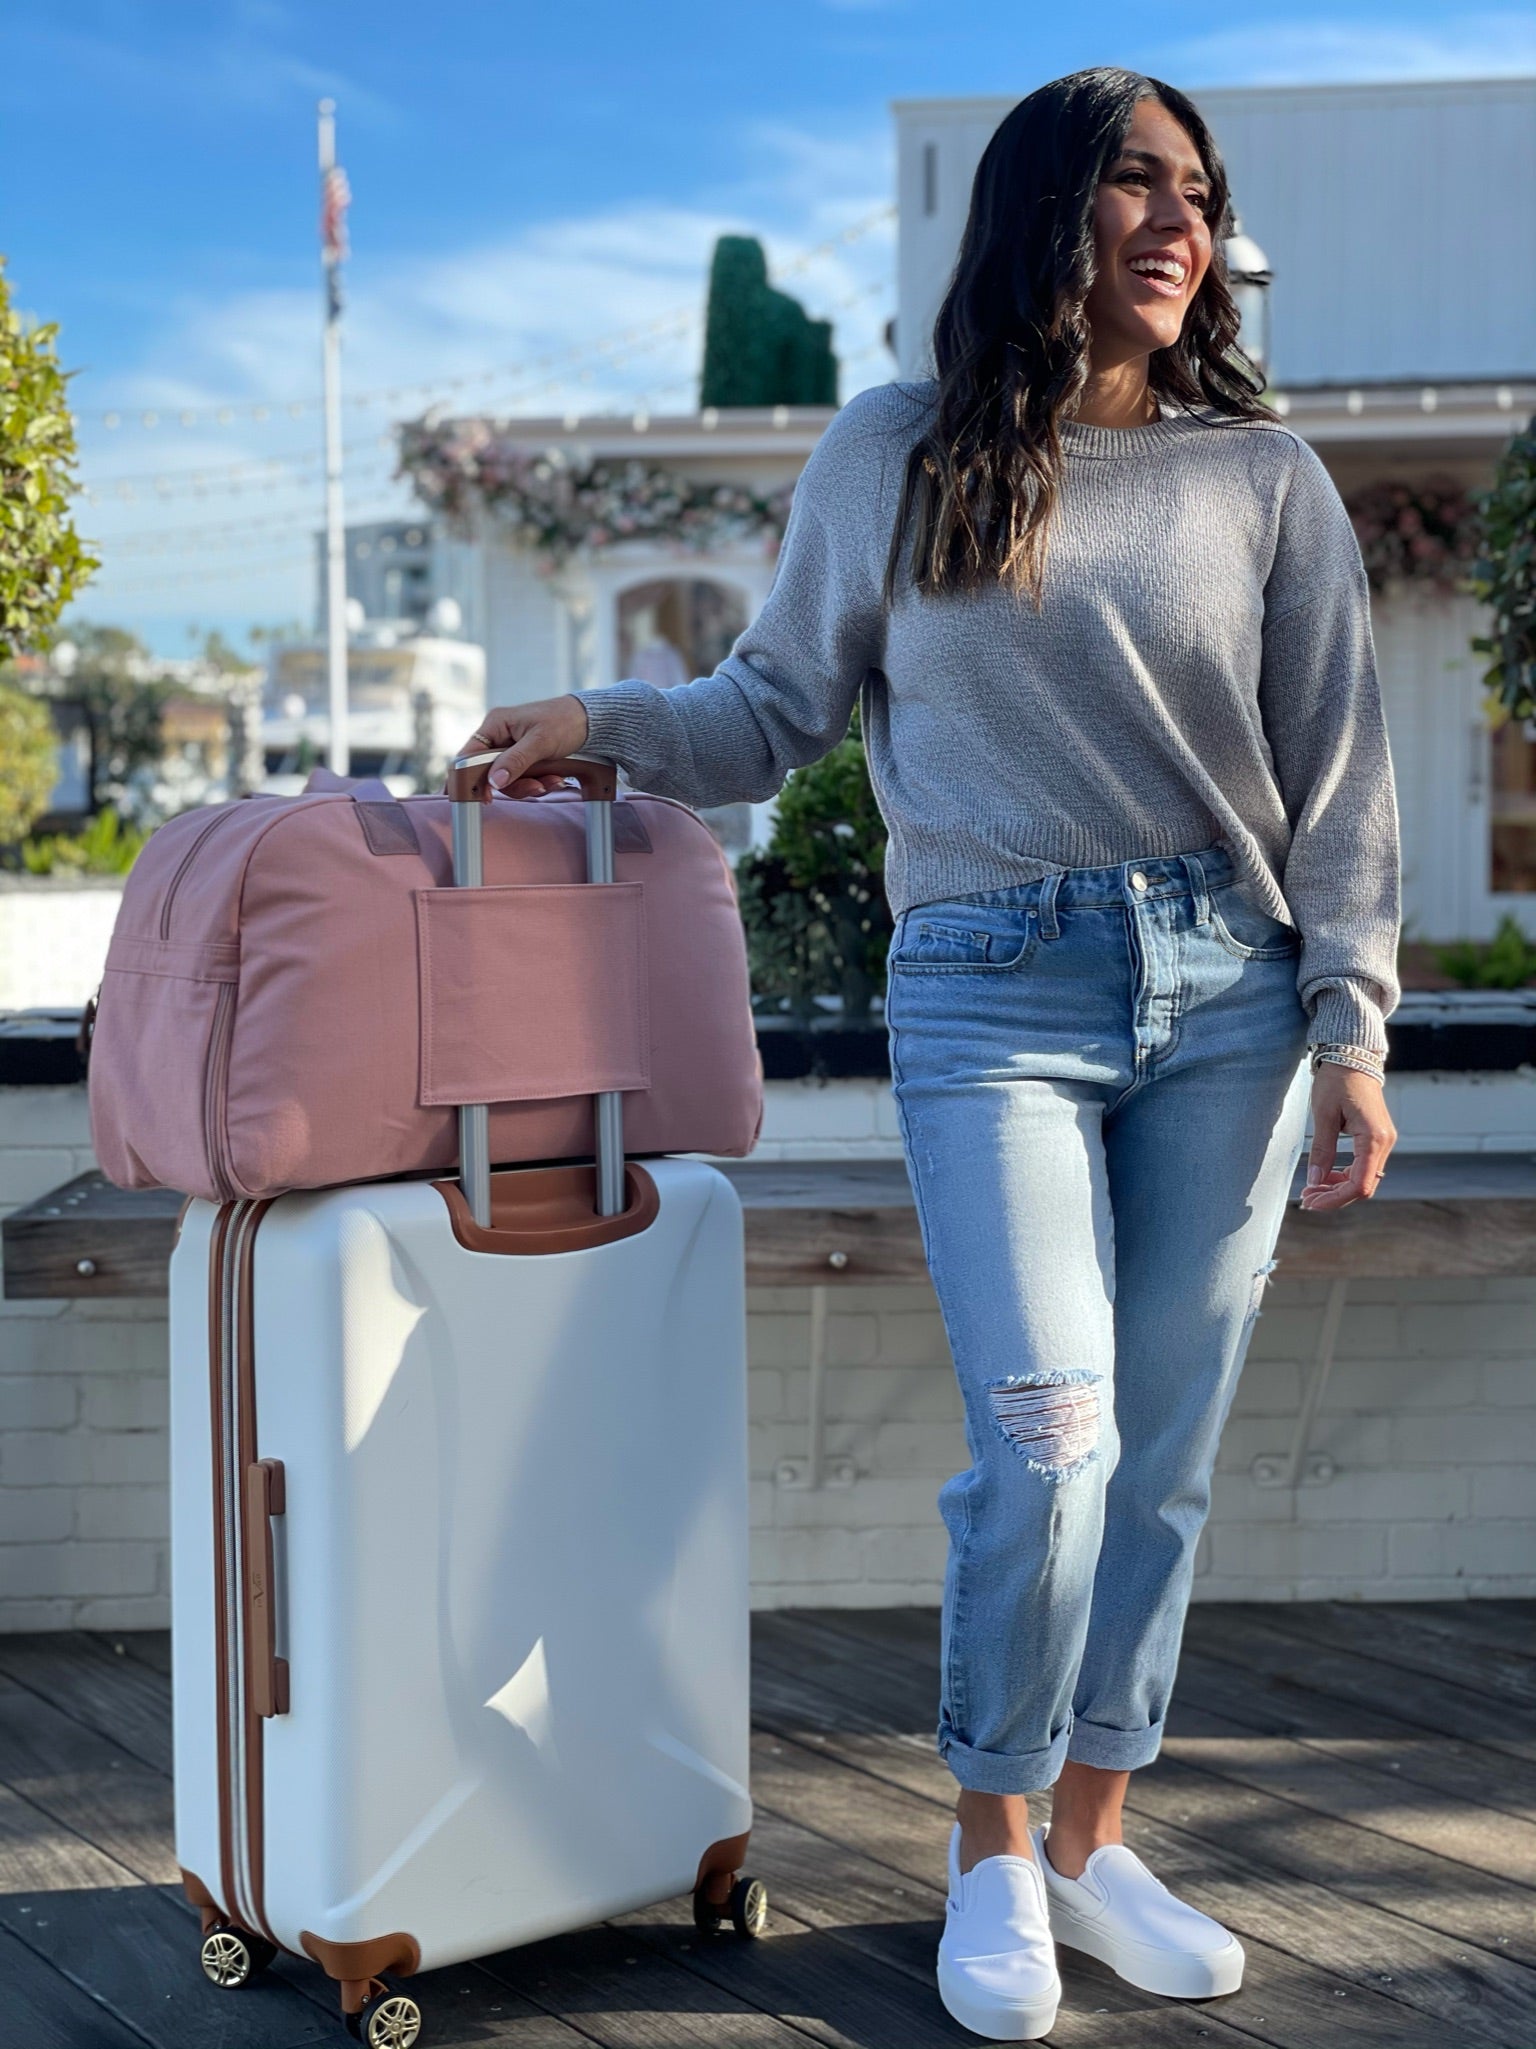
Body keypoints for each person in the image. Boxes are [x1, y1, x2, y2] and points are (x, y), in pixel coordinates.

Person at [463, 66, 1401, 2044]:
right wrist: (597, 720)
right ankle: (991, 1846)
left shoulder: (1267, 478)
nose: (1179, 220)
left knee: (1161, 1459)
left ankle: (1095, 1842)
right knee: (1051, 1436)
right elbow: (771, 707)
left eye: (1199, 191)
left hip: (1232, 998)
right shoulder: (895, 448)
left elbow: (1340, 780)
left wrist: (1353, 1021)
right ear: (1043, 207)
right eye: (1135, 180)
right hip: (992, 994)